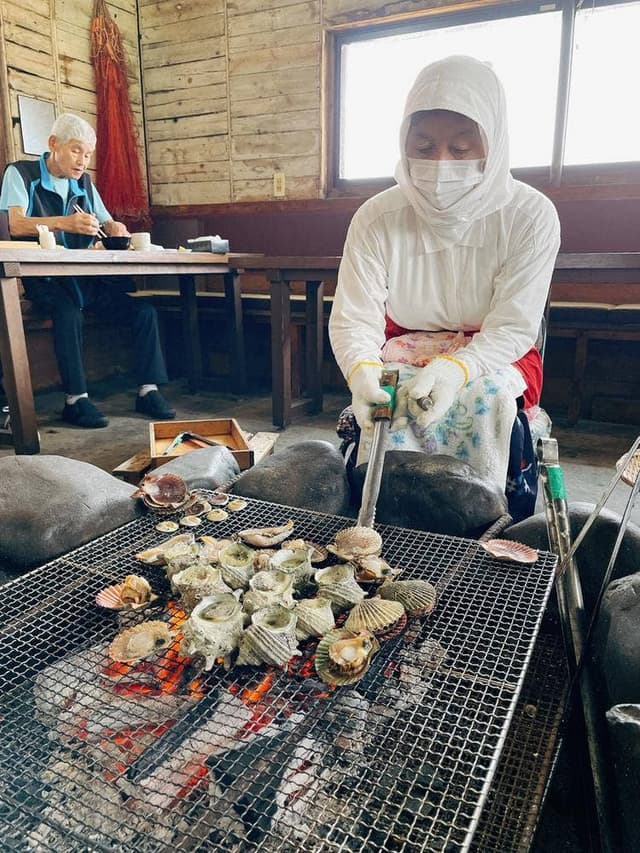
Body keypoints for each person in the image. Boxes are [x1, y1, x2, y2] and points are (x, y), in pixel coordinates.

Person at [329, 55, 561, 504]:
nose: (439, 163)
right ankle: (387, 517)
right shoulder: (377, 217)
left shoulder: (529, 215)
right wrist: (362, 372)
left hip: (496, 354)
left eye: (459, 149)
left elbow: (513, 328)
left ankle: (485, 516)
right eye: (422, 146)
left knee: (484, 397)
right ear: (403, 143)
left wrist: (457, 368)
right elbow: (354, 317)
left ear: (493, 145)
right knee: (390, 396)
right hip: (405, 342)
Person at [0, 112, 175, 428]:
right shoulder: (21, 174)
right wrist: (64, 223)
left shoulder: (84, 183)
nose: (83, 161)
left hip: (84, 278)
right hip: (43, 280)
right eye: (76, 150)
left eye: (88, 154)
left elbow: (105, 220)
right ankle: (75, 400)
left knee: (144, 311)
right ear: (54, 144)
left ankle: (148, 390)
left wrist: (115, 226)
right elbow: (14, 223)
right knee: (68, 313)